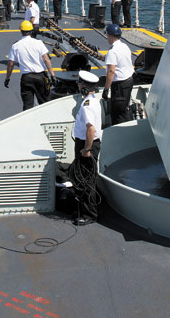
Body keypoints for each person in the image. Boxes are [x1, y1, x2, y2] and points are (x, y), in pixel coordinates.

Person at [71, 70, 103, 225]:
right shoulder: (92, 100)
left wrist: (86, 150)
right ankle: (84, 209)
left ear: (84, 87)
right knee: (82, 177)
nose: (78, 84)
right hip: (87, 144)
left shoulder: (87, 105)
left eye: (79, 83)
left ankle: (90, 215)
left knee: (86, 179)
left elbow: (91, 129)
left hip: (86, 146)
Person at [5, 19, 55, 110]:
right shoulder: (38, 43)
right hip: (41, 77)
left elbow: (10, 64)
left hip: (26, 78)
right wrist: (52, 75)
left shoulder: (15, 46)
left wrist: (7, 79)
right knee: (45, 104)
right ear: (31, 31)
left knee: (27, 107)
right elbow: (46, 60)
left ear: (21, 31)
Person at [102, 23, 134, 125]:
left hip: (119, 86)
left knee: (117, 113)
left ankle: (120, 135)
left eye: (107, 35)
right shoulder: (124, 46)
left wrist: (106, 89)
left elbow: (111, 71)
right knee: (124, 109)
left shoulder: (112, 51)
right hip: (128, 82)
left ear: (111, 36)